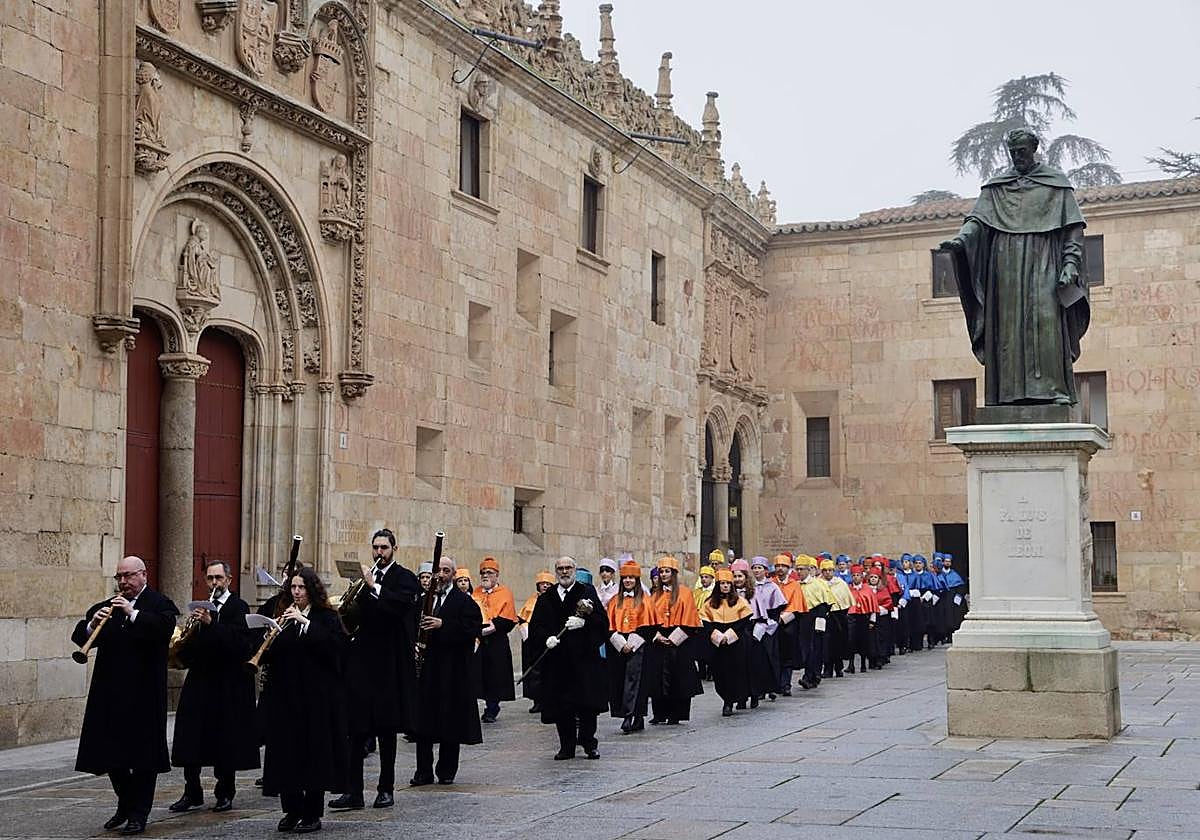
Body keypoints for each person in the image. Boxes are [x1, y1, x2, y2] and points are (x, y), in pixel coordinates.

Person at [940, 126, 1090, 407]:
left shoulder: (1055, 184)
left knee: (1046, 320)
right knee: (1008, 327)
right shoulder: (997, 187)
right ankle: (1005, 394)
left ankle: (1053, 388)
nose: (1017, 156)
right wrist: (961, 241)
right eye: (1012, 152)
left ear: (1034, 149)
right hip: (1005, 265)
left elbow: (1073, 230)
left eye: (1022, 151)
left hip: (1044, 261)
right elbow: (977, 222)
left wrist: (1070, 264)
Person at [73, 556, 178, 836]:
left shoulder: (160, 604)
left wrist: (132, 613)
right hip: (110, 693)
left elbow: (163, 629)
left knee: (143, 759)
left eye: (128, 576)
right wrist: (90, 624)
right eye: (119, 577)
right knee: (111, 755)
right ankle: (126, 804)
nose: (123, 582)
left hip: (144, 694)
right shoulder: (107, 606)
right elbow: (79, 636)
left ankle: (138, 815)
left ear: (143, 575)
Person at [329, 528, 419, 812]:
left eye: (384, 548)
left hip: (389, 664)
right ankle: (353, 792)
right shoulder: (364, 581)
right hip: (361, 661)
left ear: (394, 548)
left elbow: (399, 608)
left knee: (386, 729)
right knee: (355, 729)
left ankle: (386, 788)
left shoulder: (404, 578)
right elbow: (354, 615)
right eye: (375, 548)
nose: (379, 553)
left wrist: (373, 587)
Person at [261, 566, 349, 834]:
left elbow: (336, 649)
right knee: (286, 754)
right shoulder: (284, 617)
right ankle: (291, 809)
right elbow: (273, 656)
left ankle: (311, 812)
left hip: (316, 700)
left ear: (312, 590)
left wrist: (305, 623)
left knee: (313, 755)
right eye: (293, 588)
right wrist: (268, 638)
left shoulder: (326, 617)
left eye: (301, 588)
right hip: (287, 698)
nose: (296, 592)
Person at [169, 560, 258, 816]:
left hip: (228, 682)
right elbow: (192, 646)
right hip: (201, 679)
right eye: (210, 578)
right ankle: (191, 791)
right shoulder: (200, 607)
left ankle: (225, 792)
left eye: (219, 578)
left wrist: (212, 624)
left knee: (224, 739)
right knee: (190, 736)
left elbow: (240, 645)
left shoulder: (237, 606)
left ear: (229, 580)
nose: (214, 583)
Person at [528, 556, 608, 759]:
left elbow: (601, 622)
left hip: (584, 660)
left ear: (574, 569)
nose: (564, 572)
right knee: (561, 706)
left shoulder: (586, 592)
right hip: (558, 662)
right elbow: (535, 625)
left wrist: (585, 625)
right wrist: (546, 638)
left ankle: (589, 743)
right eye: (560, 568)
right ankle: (567, 745)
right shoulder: (547, 597)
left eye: (568, 568)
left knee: (586, 706)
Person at [412, 557, 484, 785]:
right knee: (423, 722)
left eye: (446, 571)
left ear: (453, 574)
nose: (441, 575)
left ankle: (446, 770)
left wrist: (443, 625)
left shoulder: (464, 601)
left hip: (453, 672)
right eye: (438, 571)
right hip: (427, 670)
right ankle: (423, 771)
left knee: (450, 722)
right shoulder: (423, 600)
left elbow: (472, 628)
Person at [643, 556, 703, 724]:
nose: (663, 574)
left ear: (674, 573)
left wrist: (674, 639)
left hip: (680, 639)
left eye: (667, 571)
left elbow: (691, 619)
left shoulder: (685, 593)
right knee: (658, 678)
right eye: (661, 571)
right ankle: (660, 713)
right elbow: (648, 619)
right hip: (659, 639)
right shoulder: (654, 595)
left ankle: (676, 713)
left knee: (679, 677)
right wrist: (657, 636)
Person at [605, 559, 652, 733]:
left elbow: (648, 626)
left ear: (637, 580)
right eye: (625, 578)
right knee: (620, 681)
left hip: (638, 645)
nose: (628, 581)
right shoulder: (613, 601)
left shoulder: (645, 600)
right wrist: (620, 643)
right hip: (618, 645)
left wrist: (632, 643)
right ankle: (626, 713)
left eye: (632, 578)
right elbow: (608, 625)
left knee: (635, 682)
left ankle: (632, 716)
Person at [699, 569, 753, 717]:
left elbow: (743, 622)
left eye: (728, 584)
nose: (725, 586)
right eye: (722, 583)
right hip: (717, 643)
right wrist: (717, 636)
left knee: (735, 672)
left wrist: (728, 636)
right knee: (719, 673)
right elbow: (705, 622)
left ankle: (729, 701)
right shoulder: (709, 603)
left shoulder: (740, 602)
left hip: (735, 642)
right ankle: (725, 697)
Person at [473, 556, 518, 724]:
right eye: (483, 573)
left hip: (497, 641)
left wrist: (494, 626)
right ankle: (483, 703)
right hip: (479, 640)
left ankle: (492, 707)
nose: (485, 576)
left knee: (495, 676)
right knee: (479, 675)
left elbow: (508, 618)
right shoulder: (476, 592)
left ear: (496, 575)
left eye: (489, 572)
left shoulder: (505, 593)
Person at [746, 556, 786, 703]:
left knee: (771, 655)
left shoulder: (772, 587)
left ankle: (772, 686)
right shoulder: (749, 587)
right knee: (757, 658)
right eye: (754, 568)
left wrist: (772, 623)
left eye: (759, 568)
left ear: (765, 570)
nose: (757, 570)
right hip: (754, 625)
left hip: (769, 626)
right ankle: (759, 688)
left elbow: (778, 607)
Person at [518, 571, 555, 713]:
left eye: (548, 584)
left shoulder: (553, 600)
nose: (545, 586)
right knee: (534, 671)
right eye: (542, 584)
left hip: (547, 640)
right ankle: (536, 700)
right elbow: (522, 618)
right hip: (532, 641)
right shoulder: (531, 600)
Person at [772, 554, 806, 697]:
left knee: (787, 655)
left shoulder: (794, 585)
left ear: (788, 568)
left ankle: (785, 684)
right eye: (778, 566)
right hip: (772, 623)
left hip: (789, 623)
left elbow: (797, 605)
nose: (780, 569)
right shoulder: (771, 583)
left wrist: (784, 617)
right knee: (774, 654)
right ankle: (775, 683)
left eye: (783, 566)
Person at [820, 558, 851, 679]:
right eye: (825, 570)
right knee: (826, 644)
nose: (827, 573)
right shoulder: (818, 583)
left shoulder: (840, 583)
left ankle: (839, 667)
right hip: (825, 617)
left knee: (838, 643)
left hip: (838, 617)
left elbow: (846, 600)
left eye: (830, 570)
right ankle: (827, 668)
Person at [845, 565, 877, 674]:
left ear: (862, 576)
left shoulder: (867, 589)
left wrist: (872, 620)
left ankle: (863, 664)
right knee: (850, 641)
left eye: (858, 575)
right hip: (851, 617)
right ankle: (851, 664)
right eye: (854, 575)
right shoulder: (848, 589)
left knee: (864, 641)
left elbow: (873, 605)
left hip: (863, 617)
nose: (856, 577)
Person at [868, 568, 894, 670]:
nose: (873, 579)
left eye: (875, 577)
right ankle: (872, 658)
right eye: (871, 577)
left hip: (880, 618)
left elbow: (888, 601)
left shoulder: (883, 589)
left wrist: (880, 608)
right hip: (869, 617)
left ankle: (880, 658)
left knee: (880, 638)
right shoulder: (866, 589)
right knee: (871, 639)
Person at [942, 553, 969, 638]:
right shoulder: (940, 574)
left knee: (952, 617)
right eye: (946, 561)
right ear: (943, 562)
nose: (947, 563)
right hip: (943, 597)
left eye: (949, 562)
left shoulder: (954, 574)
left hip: (952, 597)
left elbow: (960, 587)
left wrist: (958, 598)